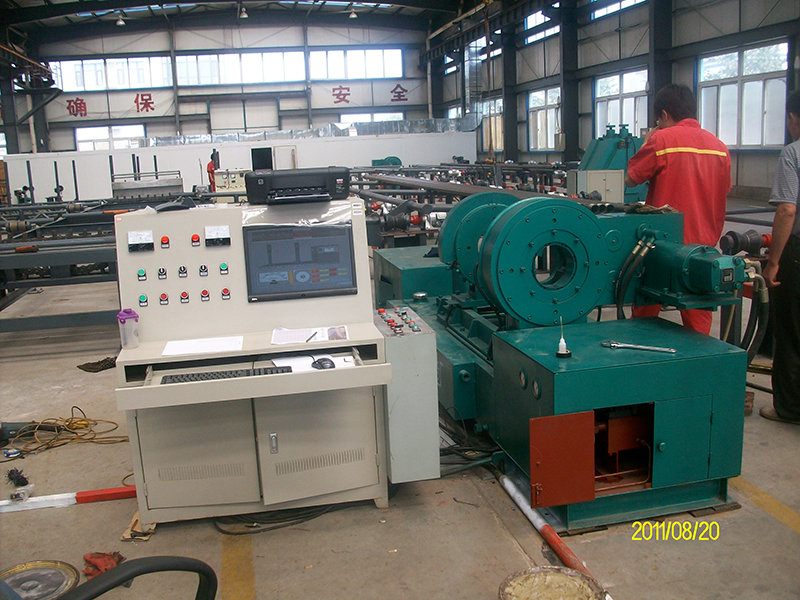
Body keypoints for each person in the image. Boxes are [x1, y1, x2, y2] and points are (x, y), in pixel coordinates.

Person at [624, 83, 732, 335]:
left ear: (664, 114)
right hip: (702, 248)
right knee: (698, 321)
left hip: (663, 246)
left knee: (645, 315)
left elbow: (630, 178)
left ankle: (641, 355)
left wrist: (647, 141)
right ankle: (699, 359)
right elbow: (724, 190)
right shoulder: (719, 147)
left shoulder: (661, 140)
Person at [760, 90, 800, 425]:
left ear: (793, 118)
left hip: (797, 253)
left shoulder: (793, 153)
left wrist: (773, 262)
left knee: (791, 331)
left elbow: (787, 209)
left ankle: (789, 407)